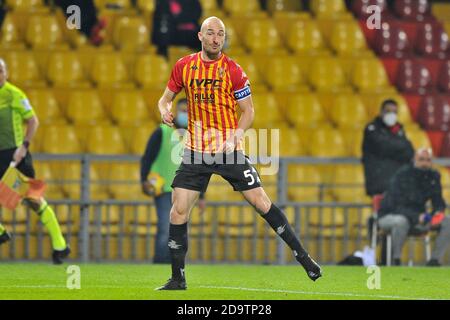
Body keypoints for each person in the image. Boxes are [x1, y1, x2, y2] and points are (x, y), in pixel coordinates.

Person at [155, 16, 322, 290]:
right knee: (178, 212)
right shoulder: (184, 66)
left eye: (220, 34)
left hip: (227, 149)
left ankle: (303, 256)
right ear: (200, 36)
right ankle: (177, 278)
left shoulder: (232, 70)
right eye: (210, 33)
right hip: (196, 150)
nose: (215, 38)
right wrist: (164, 110)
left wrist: (235, 136)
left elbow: (249, 111)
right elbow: (165, 98)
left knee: (261, 202)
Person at [0, 58, 70, 264]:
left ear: (7, 72)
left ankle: (60, 244)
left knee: (32, 200)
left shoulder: (14, 94)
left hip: (15, 155)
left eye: (2, 70)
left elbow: (33, 121)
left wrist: (24, 147)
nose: (0, 74)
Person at [141, 98, 205, 264]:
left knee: (178, 227)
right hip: (163, 188)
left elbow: (200, 167)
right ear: (176, 111)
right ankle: (162, 262)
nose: (185, 114)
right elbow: (147, 157)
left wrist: (202, 195)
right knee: (165, 227)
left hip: (185, 189)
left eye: (187, 111)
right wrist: (144, 180)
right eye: (182, 110)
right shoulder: (162, 131)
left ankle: (175, 263)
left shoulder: (195, 137)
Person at [378, 148, 450, 266]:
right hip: (389, 215)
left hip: (417, 218)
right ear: (414, 160)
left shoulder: (433, 177)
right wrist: (417, 216)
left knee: (447, 221)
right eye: (421, 159)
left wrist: (438, 212)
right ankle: (396, 261)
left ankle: (434, 261)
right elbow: (395, 205)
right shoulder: (402, 175)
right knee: (401, 221)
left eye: (428, 160)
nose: (425, 163)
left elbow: (438, 201)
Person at [362, 99, 415, 210]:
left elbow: (409, 151)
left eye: (394, 112)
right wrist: (400, 145)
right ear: (381, 112)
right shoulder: (372, 129)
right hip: (379, 184)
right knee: (383, 219)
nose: (391, 115)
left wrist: (396, 146)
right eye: (388, 111)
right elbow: (382, 146)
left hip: (397, 184)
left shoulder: (399, 129)